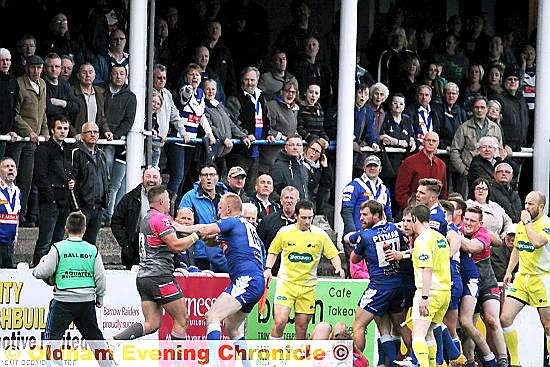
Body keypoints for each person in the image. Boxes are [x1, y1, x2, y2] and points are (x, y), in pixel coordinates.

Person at [112, 186, 203, 341]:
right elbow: (176, 245)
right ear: (162, 201)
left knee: (152, 323)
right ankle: (177, 364)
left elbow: (170, 235)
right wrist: (196, 236)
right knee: (182, 320)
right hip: (160, 276)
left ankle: (116, 341)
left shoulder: (147, 218)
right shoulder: (162, 218)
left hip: (144, 278)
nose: (170, 202)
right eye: (168, 199)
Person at [32, 212, 115, 367]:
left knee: (52, 337)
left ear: (65, 228)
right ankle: (109, 365)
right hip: (86, 301)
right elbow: (101, 277)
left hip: (63, 301)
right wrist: (100, 297)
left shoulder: (58, 248)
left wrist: (35, 269)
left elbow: (44, 271)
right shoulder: (92, 250)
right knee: (94, 338)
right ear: (84, 229)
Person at [189, 193, 265, 345]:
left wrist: (178, 227)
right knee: (232, 327)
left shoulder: (232, 221)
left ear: (229, 210)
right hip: (256, 280)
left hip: (246, 279)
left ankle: (214, 362)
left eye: (220, 208)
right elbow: (213, 241)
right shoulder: (248, 227)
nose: (218, 212)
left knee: (212, 317)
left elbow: (205, 228)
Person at [265, 200, 344, 340]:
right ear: (296, 216)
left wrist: (338, 267)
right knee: (280, 322)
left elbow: (333, 254)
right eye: (303, 217)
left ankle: (298, 361)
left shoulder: (320, 235)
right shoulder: (285, 232)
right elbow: (273, 251)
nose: (307, 221)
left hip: (307, 287)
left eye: (310, 217)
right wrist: (268, 268)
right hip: (286, 284)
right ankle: (274, 358)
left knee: (301, 329)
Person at [343, 200, 407, 364]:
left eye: (365, 214)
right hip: (398, 284)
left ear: (377, 215)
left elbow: (354, 259)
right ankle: (414, 359)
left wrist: (357, 240)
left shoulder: (366, 236)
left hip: (379, 286)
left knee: (358, 325)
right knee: (396, 325)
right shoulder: (395, 228)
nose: (361, 218)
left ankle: (356, 363)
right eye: (360, 214)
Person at [500, 191, 550, 367]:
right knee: (505, 318)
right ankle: (515, 362)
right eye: (525, 203)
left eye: (530, 204)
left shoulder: (546, 224)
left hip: (542, 279)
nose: (526, 208)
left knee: (548, 325)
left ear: (541, 207)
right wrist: (509, 271)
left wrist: (527, 223)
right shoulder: (522, 224)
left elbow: (536, 243)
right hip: (522, 278)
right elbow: (517, 247)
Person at [8, 54, 49, 226]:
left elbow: (43, 111)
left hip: (33, 141)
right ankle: (10, 214)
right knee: (12, 177)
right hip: (19, 139)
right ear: (27, 67)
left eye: (39, 68)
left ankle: (21, 215)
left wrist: (45, 130)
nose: (36, 71)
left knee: (27, 179)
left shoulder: (43, 84)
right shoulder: (19, 83)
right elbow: (14, 113)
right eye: (33, 67)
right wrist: (29, 131)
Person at [458, 206, 501, 367]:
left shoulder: (480, 233)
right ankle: (469, 361)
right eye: (466, 219)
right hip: (461, 282)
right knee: (465, 325)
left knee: (488, 320)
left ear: (480, 223)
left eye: (472, 220)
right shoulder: (458, 229)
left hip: (483, 282)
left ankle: (498, 359)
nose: (468, 223)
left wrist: (450, 231)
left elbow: (471, 246)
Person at [408, 204, 451, 367]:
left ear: (414, 219)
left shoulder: (422, 240)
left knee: (417, 335)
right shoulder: (440, 238)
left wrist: (424, 297)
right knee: (429, 333)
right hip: (444, 292)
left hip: (429, 292)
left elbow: (427, 268)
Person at [32, 115, 74, 266]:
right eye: (59, 128)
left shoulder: (68, 150)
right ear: (52, 130)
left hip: (64, 201)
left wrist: (72, 181)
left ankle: (55, 271)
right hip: (50, 202)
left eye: (65, 128)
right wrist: (50, 198)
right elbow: (40, 176)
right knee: (45, 240)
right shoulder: (43, 149)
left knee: (58, 242)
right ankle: (37, 269)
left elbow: (69, 172)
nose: (63, 131)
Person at [226, 66, 271, 195]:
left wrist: (268, 134)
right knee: (236, 188)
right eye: (247, 80)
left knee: (251, 189)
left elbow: (266, 118)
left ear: (257, 80)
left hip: (256, 151)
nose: (249, 83)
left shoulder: (261, 97)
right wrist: (244, 134)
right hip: (240, 151)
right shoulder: (235, 98)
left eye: (252, 80)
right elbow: (233, 122)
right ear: (242, 80)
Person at [103, 63, 137, 224]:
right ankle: (107, 215)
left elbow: (129, 120)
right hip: (103, 138)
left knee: (118, 183)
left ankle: (112, 216)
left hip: (121, 142)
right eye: (115, 73)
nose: (118, 76)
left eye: (121, 73)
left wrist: (116, 135)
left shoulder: (130, 96)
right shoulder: (102, 92)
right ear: (110, 75)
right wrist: (105, 131)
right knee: (107, 176)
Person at [450, 96, 503, 198]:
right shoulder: (464, 128)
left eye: (482, 107)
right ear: (473, 109)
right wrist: (463, 170)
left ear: (487, 109)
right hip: (467, 174)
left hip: (490, 175)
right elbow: (455, 150)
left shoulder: (495, 128)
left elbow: (499, 150)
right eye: (476, 107)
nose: (479, 110)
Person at [179, 163, 228, 272]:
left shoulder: (227, 196)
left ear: (217, 177)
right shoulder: (189, 197)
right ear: (200, 178)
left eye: (212, 174)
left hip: (223, 254)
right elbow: (183, 223)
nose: (209, 178)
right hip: (199, 253)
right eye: (205, 175)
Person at [111, 167, 161, 269]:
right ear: (142, 179)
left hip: (160, 249)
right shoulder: (129, 198)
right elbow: (116, 222)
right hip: (135, 249)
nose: (151, 180)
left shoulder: (170, 198)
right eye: (148, 176)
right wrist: (126, 245)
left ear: (160, 180)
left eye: (155, 177)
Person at [152, 63, 189, 195]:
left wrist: (183, 132)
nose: (162, 80)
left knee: (159, 176)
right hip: (148, 143)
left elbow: (175, 115)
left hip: (160, 143)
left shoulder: (167, 94)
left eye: (164, 78)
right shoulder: (146, 93)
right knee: (149, 176)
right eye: (158, 77)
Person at [71, 122, 109, 245]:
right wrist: (77, 208)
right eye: (89, 132)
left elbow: (106, 180)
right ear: (82, 135)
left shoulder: (102, 155)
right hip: (83, 208)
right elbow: (72, 182)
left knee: (91, 244)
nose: (93, 135)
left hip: (98, 207)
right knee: (76, 242)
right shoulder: (76, 153)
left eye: (95, 132)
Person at [203, 78, 248, 177]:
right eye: (207, 89)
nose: (210, 92)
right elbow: (210, 127)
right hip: (210, 152)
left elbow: (231, 124)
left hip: (223, 153)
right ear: (203, 90)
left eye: (213, 89)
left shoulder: (220, 106)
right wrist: (223, 138)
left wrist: (243, 136)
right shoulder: (203, 106)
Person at [341, 155, 393, 237]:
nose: (372, 168)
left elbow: (388, 215)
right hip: (358, 235)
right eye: (369, 165)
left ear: (380, 169)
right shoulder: (354, 185)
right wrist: (352, 234)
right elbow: (346, 212)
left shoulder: (384, 190)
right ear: (364, 168)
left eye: (375, 166)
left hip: (379, 237)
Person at [395, 132, 447, 210]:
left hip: (434, 212)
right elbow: (401, 191)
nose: (431, 143)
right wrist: (412, 208)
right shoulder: (410, 162)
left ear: (438, 143)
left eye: (434, 141)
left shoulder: (441, 165)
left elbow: (443, 192)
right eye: (428, 140)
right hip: (413, 211)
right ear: (423, 142)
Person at [257, 186, 299, 275]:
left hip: (295, 272)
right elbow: (259, 245)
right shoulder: (268, 220)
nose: (289, 201)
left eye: (292, 198)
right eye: (286, 197)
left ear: (297, 201)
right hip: (271, 271)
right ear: (281, 200)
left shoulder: (302, 223)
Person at [43, 53, 79, 125]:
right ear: (44, 68)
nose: (54, 69)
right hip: (46, 127)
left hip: (64, 127)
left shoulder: (65, 84)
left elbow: (77, 107)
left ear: (60, 69)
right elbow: (48, 110)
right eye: (50, 66)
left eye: (57, 66)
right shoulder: (41, 84)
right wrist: (67, 109)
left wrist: (62, 103)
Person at [71, 63, 107, 136]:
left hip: (93, 137)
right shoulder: (71, 92)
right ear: (78, 75)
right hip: (77, 138)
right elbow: (66, 118)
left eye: (90, 72)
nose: (88, 75)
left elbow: (101, 117)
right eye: (84, 72)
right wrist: (74, 134)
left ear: (95, 75)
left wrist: (106, 131)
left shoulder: (100, 93)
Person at [271, 134, 310, 201]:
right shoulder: (278, 166)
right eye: (292, 145)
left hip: (303, 208)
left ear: (302, 148)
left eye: (298, 145)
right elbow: (272, 191)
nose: (295, 147)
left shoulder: (304, 166)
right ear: (286, 147)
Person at [0, 158, 21, 269]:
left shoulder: (17, 191)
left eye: (13, 166)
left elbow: (16, 215)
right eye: (6, 166)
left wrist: (16, 235)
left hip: (9, 244)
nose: (10, 169)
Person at [0, 48, 18, 159]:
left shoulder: (13, 81)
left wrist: (12, 130)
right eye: (2, 60)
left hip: (7, 136)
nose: (5, 63)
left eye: (8, 60)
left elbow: (14, 108)